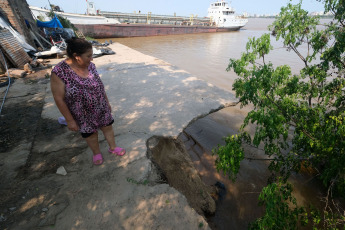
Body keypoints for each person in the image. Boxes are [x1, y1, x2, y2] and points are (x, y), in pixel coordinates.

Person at [50, 37, 125, 165]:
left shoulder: (91, 66)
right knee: (90, 133)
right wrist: (70, 120)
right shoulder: (59, 72)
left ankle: (112, 147)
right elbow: (58, 98)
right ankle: (96, 153)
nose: (92, 59)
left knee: (107, 127)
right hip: (81, 113)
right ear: (77, 56)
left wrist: (106, 102)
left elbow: (100, 85)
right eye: (88, 56)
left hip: (100, 106)